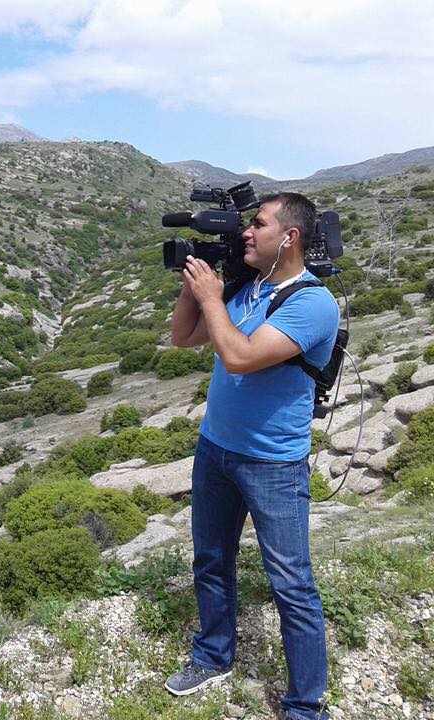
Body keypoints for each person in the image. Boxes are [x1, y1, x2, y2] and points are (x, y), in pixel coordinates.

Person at [164, 192, 338, 720]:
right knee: (211, 560)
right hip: (215, 449)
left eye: (258, 224)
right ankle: (213, 656)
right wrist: (194, 289)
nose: (245, 231)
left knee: (291, 584)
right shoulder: (247, 287)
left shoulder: (312, 303)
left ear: (289, 237)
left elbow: (239, 358)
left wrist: (213, 297)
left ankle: (304, 706)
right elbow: (182, 337)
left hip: (272, 464)